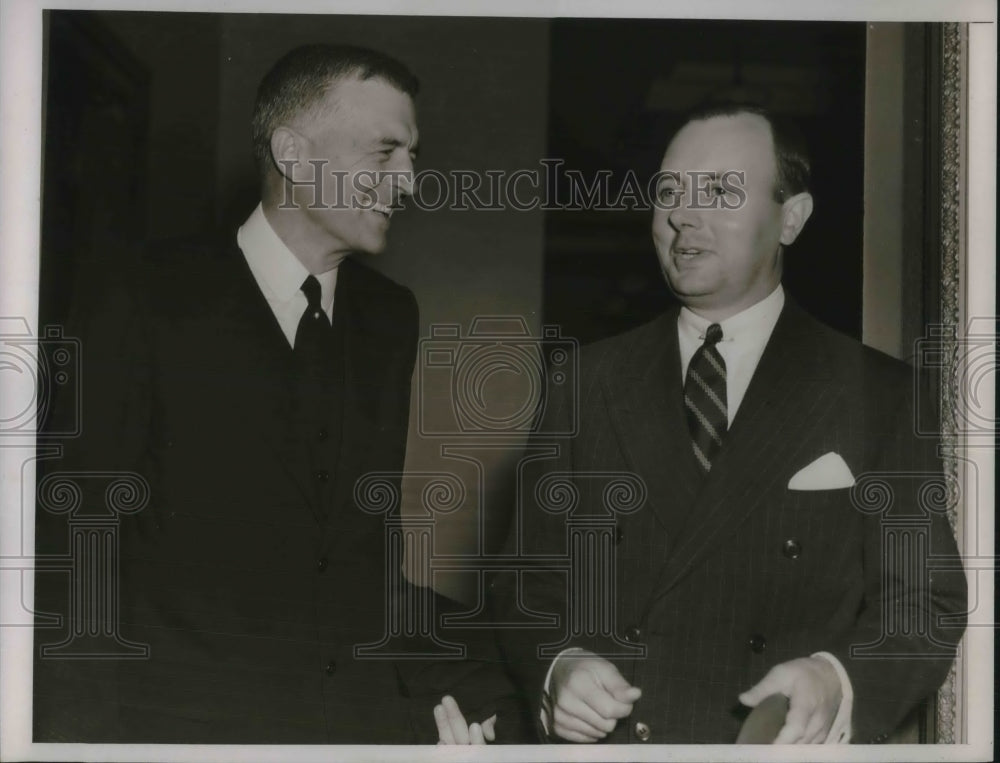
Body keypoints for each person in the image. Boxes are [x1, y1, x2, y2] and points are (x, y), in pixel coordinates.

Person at [33, 44, 516, 744]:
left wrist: (499, 684)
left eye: (412, 156)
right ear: (292, 152)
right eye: (386, 153)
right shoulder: (139, 296)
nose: (408, 182)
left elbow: (364, 566)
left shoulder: (390, 317)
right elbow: (75, 558)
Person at [494, 102, 967, 744]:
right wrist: (556, 666)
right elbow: (526, 582)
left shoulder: (878, 394)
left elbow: (922, 603)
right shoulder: (582, 381)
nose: (682, 215)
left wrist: (838, 679)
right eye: (669, 192)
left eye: (719, 191)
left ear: (790, 218)